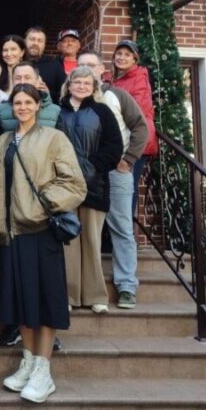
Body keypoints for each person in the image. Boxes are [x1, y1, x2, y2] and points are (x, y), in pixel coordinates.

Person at [0, 84, 86, 404]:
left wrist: (40, 204)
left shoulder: (54, 138)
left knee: (44, 302)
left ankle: (44, 370)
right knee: (21, 302)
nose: (22, 107)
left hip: (41, 231)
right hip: (10, 234)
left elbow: (73, 183)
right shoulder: (3, 142)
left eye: (28, 102)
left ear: (38, 106)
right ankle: (28, 362)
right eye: (17, 102)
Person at [78, 51, 148, 310]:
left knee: (121, 227)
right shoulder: (72, 100)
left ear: (101, 70)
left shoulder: (116, 95)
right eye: (81, 65)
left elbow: (140, 126)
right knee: (86, 230)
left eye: (91, 65)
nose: (86, 69)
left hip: (116, 172)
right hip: (85, 174)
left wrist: (129, 160)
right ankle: (86, 287)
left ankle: (127, 285)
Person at [56, 67, 123, 314]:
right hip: (64, 185)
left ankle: (96, 295)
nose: (81, 86)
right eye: (77, 82)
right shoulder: (57, 111)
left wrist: (93, 166)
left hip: (94, 185)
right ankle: (69, 295)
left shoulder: (102, 111)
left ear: (93, 87)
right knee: (69, 244)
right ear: (69, 84)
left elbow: (114, 146)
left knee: (92, 242)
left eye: (87, 83)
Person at [106, 39, 159, 210]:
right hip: (120, 139)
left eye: (127, 55)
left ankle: (126, 223)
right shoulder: (113, 79)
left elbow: (138, 111)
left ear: (135, 59)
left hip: (136, 141)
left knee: (127, 187)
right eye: (119, 54)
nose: (122, 57)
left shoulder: (139, 79)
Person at [0, 62, 60, 131]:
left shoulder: (55, 111)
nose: (22, 82)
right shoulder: (1, 110)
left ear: (37, 81)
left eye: (27, 78)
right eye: (18, 78)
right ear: (12, 81)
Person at [25, 27, 64, 104]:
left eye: (40, 41)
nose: (35, 43)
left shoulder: (55, 65)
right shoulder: (16, 64)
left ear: (44, 45)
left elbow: (63, 94)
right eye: (32, 39)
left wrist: (47, 92)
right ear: (24, 41)